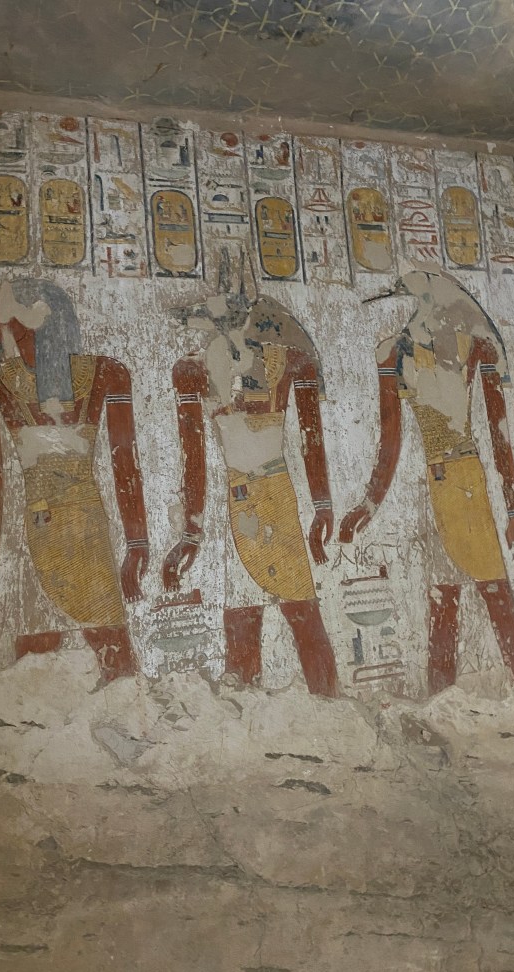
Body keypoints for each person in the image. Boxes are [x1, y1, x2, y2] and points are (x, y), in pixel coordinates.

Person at [340, 269, 514, 693]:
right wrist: (369, 504)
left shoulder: (475, 345)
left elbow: (499, 433)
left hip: (466, 481)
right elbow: (390, 440)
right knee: (443, 598)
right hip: (432, 485)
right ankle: (441, 696)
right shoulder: (392, 353)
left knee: (494, 590)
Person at [163, 250, 338, 697]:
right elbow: (193, 460)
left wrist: (322, 507)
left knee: (301, 605)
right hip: (235, 499)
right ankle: (246, 703)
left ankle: (327, 699)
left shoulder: (291, 362)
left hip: (275, 495)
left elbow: (312, 441)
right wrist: (192, 533)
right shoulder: (192, 370)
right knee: (241, 610)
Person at [0, 279, 149, 684]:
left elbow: (125, 464)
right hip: (32, 530)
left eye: (6, 315)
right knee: (35, 664)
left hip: (85, 529)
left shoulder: (107, 374)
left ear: (37, 321)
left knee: (112, 653)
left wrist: (137, 544)